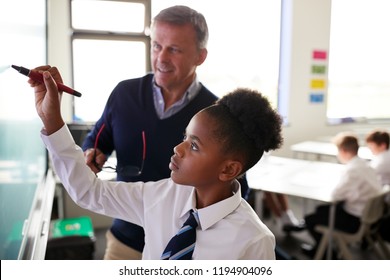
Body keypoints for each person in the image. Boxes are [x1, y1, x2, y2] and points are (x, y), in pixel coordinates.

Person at [31, 68, 283, 259]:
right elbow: (90, 192)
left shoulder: (253, 240)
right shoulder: (162, 196)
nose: (178, 148)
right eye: (185, 137)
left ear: (229, 169)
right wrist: (52, 121)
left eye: (194, 145)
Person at [78, 5, 247, 260]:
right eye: (156, 46)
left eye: (175, 49)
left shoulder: (217, 113)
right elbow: (97, 140)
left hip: (187, 249)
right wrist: (91, 153)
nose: (161, 58)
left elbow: (237, 188)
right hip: (126, 240)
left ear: (200, 56)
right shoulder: (124, 94)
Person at [301, 132, 382, 258]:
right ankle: (323, 247)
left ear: (343, 151)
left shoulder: (352, 170)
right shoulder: (364, 165)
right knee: (320, 210)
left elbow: (335, 196)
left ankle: (326, 253)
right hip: (371, 218)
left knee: (310, 219)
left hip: (356, 221)